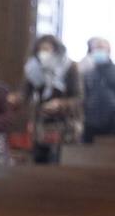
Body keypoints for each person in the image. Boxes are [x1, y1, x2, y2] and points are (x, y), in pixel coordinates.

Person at [22, 34, 80, 164]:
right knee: (39, 160)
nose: (44, 52)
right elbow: (25, 94)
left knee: (59, 160)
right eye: (41, 49)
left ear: (56, 50)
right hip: (41, 122)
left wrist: (60, 103)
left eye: (47, 49)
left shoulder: (70, 67)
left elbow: (78, 98)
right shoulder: (32, 68)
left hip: (63, 122)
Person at [80, 36, 115, 143]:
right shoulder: (88, 74)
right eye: (96, 49)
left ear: (108, 51)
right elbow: (84, 96)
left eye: (101, 48)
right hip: (92, 122)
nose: (98, 51)